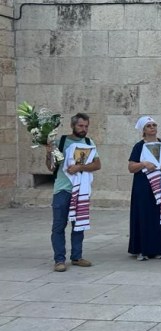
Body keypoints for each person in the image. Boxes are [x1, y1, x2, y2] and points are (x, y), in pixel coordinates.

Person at [45, 113, 101, 272]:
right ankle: (59, 260)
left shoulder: (89, 143)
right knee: (59, 226)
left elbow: (97, 165)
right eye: (80, 126)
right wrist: (49, 152)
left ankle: (77, 257)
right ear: (72, 126)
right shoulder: (61, 142)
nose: (84, 129)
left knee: (79, 225)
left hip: (81, 190)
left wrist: (80, 167)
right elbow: (50, 167)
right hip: (63, 190)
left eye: (86, 126)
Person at [127, 116, 161, 260]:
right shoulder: (139, 146)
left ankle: (160, 248)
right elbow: (131, 167)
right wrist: (143, 164)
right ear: (143, 130)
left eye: (154, 125)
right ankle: (142, 249)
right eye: (149, 126)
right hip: (144, 186)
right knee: (144, 216)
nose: (152, 128)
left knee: (160, 216)